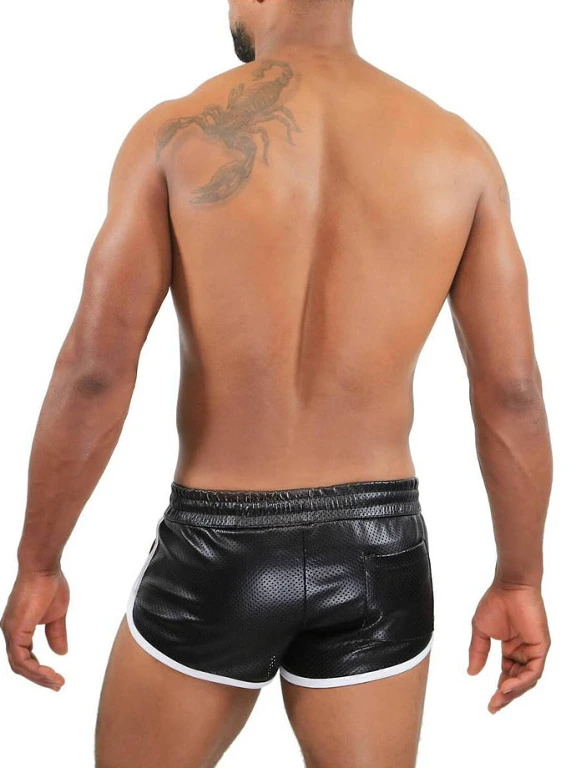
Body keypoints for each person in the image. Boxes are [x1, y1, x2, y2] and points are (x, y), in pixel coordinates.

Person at [1, 1, 552, 766]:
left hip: (218, 541)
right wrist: (519, 579)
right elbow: (512, 392)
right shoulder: (459, 151)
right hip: (379, 548)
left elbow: (95, 372)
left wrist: (38, 562)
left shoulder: (175, 135)